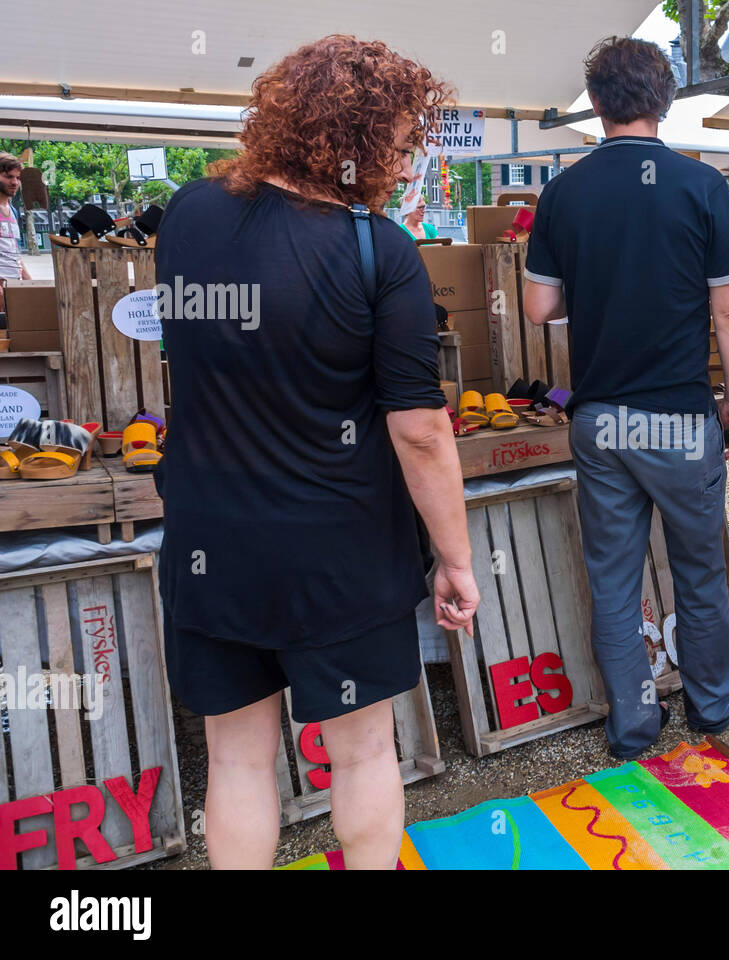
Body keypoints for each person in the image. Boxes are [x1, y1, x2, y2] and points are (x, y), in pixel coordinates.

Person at [154, 35, 480, 869]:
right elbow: (421, 429)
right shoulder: (380, 252)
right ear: (358, 138)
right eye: (401, 143)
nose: (407, 164)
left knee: (233, 759)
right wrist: (455, 558)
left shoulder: (187, 217)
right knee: (365, 752)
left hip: (210, 541)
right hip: (338, 548)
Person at [522, 36, 729, 759]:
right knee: (699, 570)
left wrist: (597, 292)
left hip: (601, 417)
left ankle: (632, 726)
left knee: (615, 580)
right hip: (681, 417)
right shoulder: (702, 186)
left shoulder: (562, 190)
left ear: (596, 104)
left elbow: (538, 308)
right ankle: (712, 707)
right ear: (665, 100)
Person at [0, 152, 33, 317]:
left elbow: (15, 254)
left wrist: (30, 283)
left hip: (12, 289)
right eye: (8, 176)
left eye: (18, 178)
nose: (14, 182)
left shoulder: (13, 211)